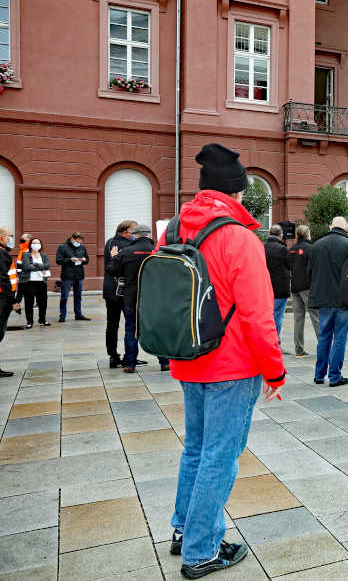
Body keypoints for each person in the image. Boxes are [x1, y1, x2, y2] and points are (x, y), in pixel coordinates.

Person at [166, 143, 285, 578]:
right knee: (221, 454)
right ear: (237, 193)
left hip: (187, 356)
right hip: (231, 366)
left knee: (196, 449)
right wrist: (274, 370)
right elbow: (257, 315)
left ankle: (184, 530)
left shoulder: (176, 228)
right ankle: (201, 550)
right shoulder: (239, 237)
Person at [107, 224, 162, 373]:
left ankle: (129, 363)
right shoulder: (158, 252)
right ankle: (165, 362)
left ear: (135, 236)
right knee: (156, 329)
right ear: (149, 235)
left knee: (131, 330)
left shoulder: (126, 252)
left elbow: (111, 269)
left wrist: (114, 258)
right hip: (154, 299)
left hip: (132, 297)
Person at [308, 217, 348, 386]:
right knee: (340, 338)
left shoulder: (317, 245)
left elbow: (310, 271)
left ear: (330, 226)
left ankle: (319, 375)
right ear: (346, 228)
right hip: (343, 299)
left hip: (323, 299)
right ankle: (335, 376)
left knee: (324, 337)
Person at [103, 220, 136, 368]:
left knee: (112, 324)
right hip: (124, 291)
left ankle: (113, 356)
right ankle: (130, 357)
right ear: (125, 231)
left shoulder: (110, 242)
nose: (135, 235)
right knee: (131, 324)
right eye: (133, 231)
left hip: (110, 290)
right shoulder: (129, 246)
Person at [287, 225, 320, 360]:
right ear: (307, 234)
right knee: (316, 317)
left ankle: (298, 350)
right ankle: (324, 347)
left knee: (298, 319)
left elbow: (288, 267)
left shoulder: (291, 250)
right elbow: (315, 268)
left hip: (294, 286)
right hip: (308, 286)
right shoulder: (311, 249)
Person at [264, 225, 291, 349]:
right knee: (277, 316)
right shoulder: (282, 249)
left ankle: (268, 341)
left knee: (267, 316)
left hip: (265, 286)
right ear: (281, 235)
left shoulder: (262, 247)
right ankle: (275, 342)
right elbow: (289, 265)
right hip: (280, 288)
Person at [16, 237, 51, 328]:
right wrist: (41, 267)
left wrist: (36, 265)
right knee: (29, 302)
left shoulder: (43, 255)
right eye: (34, 243)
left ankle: (42, 320)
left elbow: (47, 265)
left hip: (41, 282)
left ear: (40, 245)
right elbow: (27, 267)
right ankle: (30, 321)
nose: (36, 245)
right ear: (31, 244)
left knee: (43, 302)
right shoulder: (26, 255)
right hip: (29, 281)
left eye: (38, 243)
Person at [55, 231, 90, 322]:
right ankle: (62, 315)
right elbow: (58, 261)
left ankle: (78, 314)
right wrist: (70, 260)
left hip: (79, 275)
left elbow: (87, 259)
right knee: (64, 297)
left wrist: (84, 260)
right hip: (67, 276)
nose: (79, 243)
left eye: (80, 242)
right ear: (72, 239)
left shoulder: (82, 247)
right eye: (78, 241)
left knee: (78, 296)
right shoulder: (62, 247)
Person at [0, 226, 18, 378]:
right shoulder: (2, 254)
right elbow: (3, 279)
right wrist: (13, 301)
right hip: (3, 299)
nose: (11, 239)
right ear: (2, 238)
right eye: (9, 236)